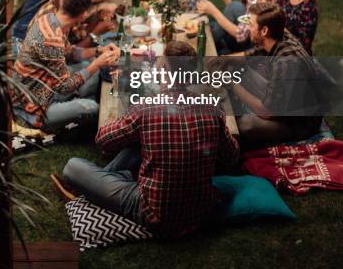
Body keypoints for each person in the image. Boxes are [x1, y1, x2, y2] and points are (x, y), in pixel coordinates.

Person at [62, 41, 240, 237]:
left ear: (163, 68)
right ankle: (109, 180)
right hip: (201, 210)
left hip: (155, 213)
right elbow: (232, 157)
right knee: (139, 145)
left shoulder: (146, 108)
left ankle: (102, 183)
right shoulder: (212, 109)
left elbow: (102, 140)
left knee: (72, 167)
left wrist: (127, 117)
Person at [12, 0, 120, 131]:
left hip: (47, 87)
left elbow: (70, 53)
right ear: (82, 16)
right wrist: (97, 63)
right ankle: (79, 113)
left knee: (91, 71)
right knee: (93, 107)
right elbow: (64, 87)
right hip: (32, 109)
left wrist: (98, 50)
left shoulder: (51, 19)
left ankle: (78, 104)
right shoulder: (52, 39)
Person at [232, 2, 322, 148]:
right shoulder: (280, 33)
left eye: (252, 25)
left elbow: (267, 112)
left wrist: (231, 85)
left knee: (244, 125)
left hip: (300, 123)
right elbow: (254, 54)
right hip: (288, 99)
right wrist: (223, 60)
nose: (248, 28)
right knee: (241, 69)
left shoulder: (286, 62)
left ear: (264, 31)